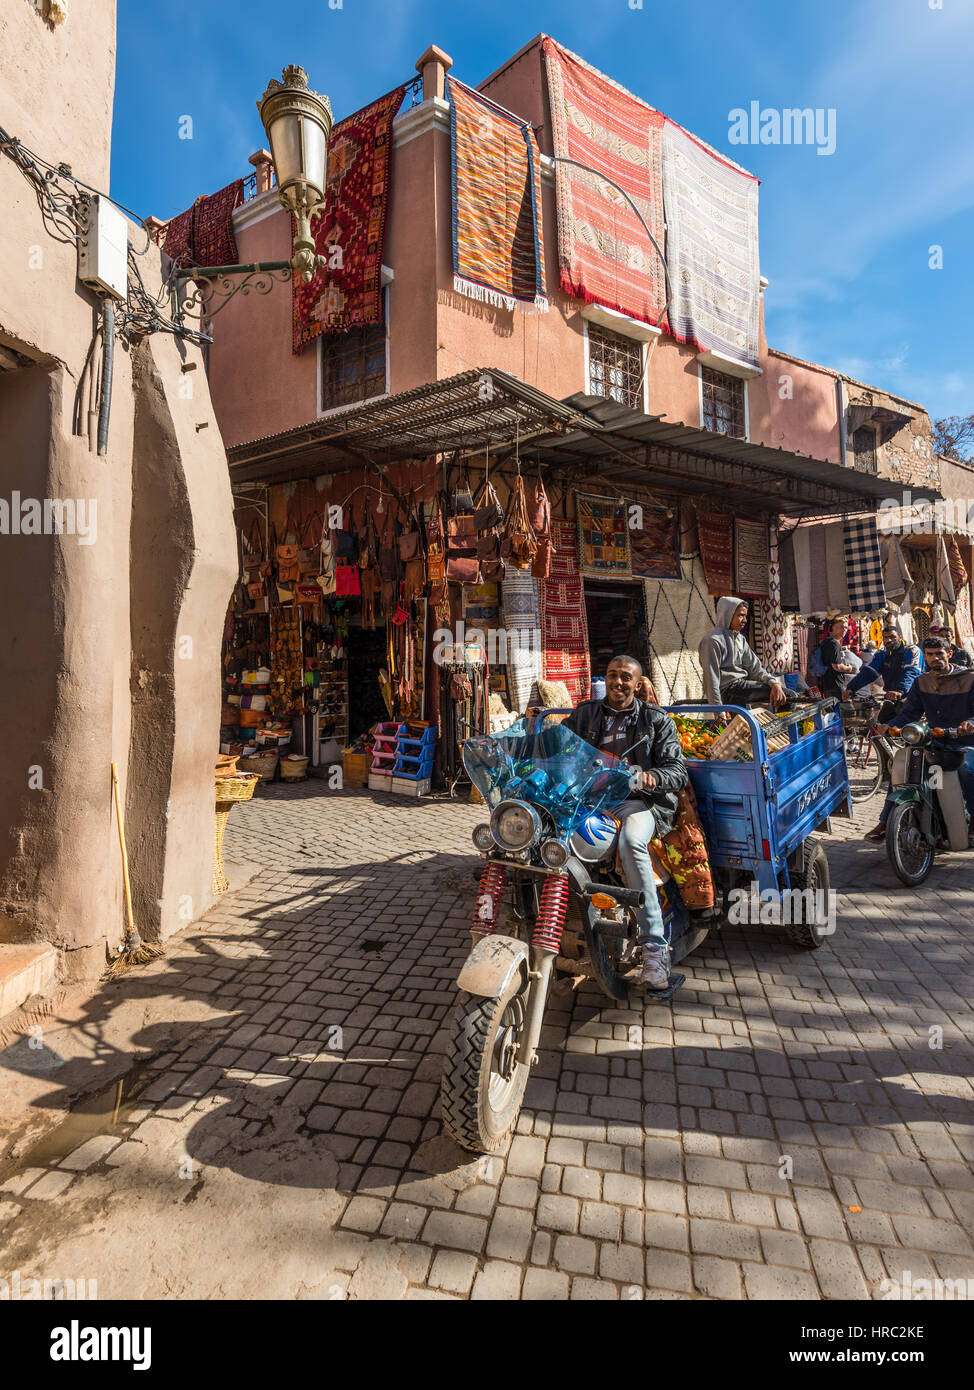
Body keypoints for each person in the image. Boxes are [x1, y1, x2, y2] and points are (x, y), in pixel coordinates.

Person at [563, 655, 688, 991]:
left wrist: (650, 777)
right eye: (612, 675)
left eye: (626, 677)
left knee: (632, 842)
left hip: (637, 803)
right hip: (589, 801)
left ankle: (654, 948)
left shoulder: (655, 720)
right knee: (545, 837)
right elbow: (558, 748)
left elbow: (677, 771)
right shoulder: (585, 714)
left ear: (637, 683)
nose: (618, 682)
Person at [861, 635, 974, 843]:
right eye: (929, 655)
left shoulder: (969, 678)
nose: (934, 658)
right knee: (902, 769)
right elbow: (909, 713)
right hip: (936, 740)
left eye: (939, 654)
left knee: (966, 772)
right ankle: (886, 822)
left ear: (949, 654)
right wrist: (891, 725)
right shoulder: (922, 682)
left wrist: (969, 723)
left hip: (966, 742)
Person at [698, 597, 788, 709]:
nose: (745, 620)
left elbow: (755, 669)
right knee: (789, 697)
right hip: (728, 690)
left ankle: (780, 726)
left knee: (785, 696)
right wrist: (719, 712)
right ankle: (783, 727)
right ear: (728, 615)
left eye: (745, 616)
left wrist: (774, 683)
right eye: (741, 615)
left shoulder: (740, 639)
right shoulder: (712, 641)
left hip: (741, 689)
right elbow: (711, 680)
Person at [842, 622, 923, 724]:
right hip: (891, 696)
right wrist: (851, 688)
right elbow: (869, 672)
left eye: (893, 637)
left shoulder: (911, 650)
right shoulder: (882, 654)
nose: (889, 640)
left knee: (905, 728)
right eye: (886, 637)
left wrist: (900, 691)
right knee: (882, 724)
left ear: (900, 637)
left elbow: (912, 672)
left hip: (911, 696)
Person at [817, 617, 858, 700]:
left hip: (828, 684)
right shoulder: (834, 643)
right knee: (844, 710)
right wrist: (849, 668)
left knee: (835, 711)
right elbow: (837, 666)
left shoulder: (828, 641)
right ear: (833, 627)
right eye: (841, 627)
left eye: (846, 627)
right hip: (836, 685)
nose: (844, 630)